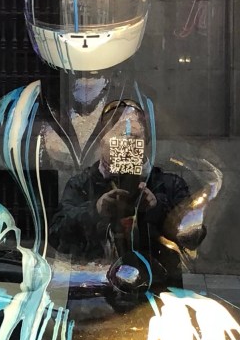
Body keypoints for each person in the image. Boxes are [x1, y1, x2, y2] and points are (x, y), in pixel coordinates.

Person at [48, 99, 196, 293]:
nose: (126, 143)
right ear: (101, 141)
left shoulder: (170, 184)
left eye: (134, 136)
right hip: (95, 292)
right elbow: (57, 237)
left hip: (156, 292)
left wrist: (156, 209)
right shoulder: (82, 184)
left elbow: (192, 238)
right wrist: (96, 210)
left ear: (145, 141)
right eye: (118, 135)